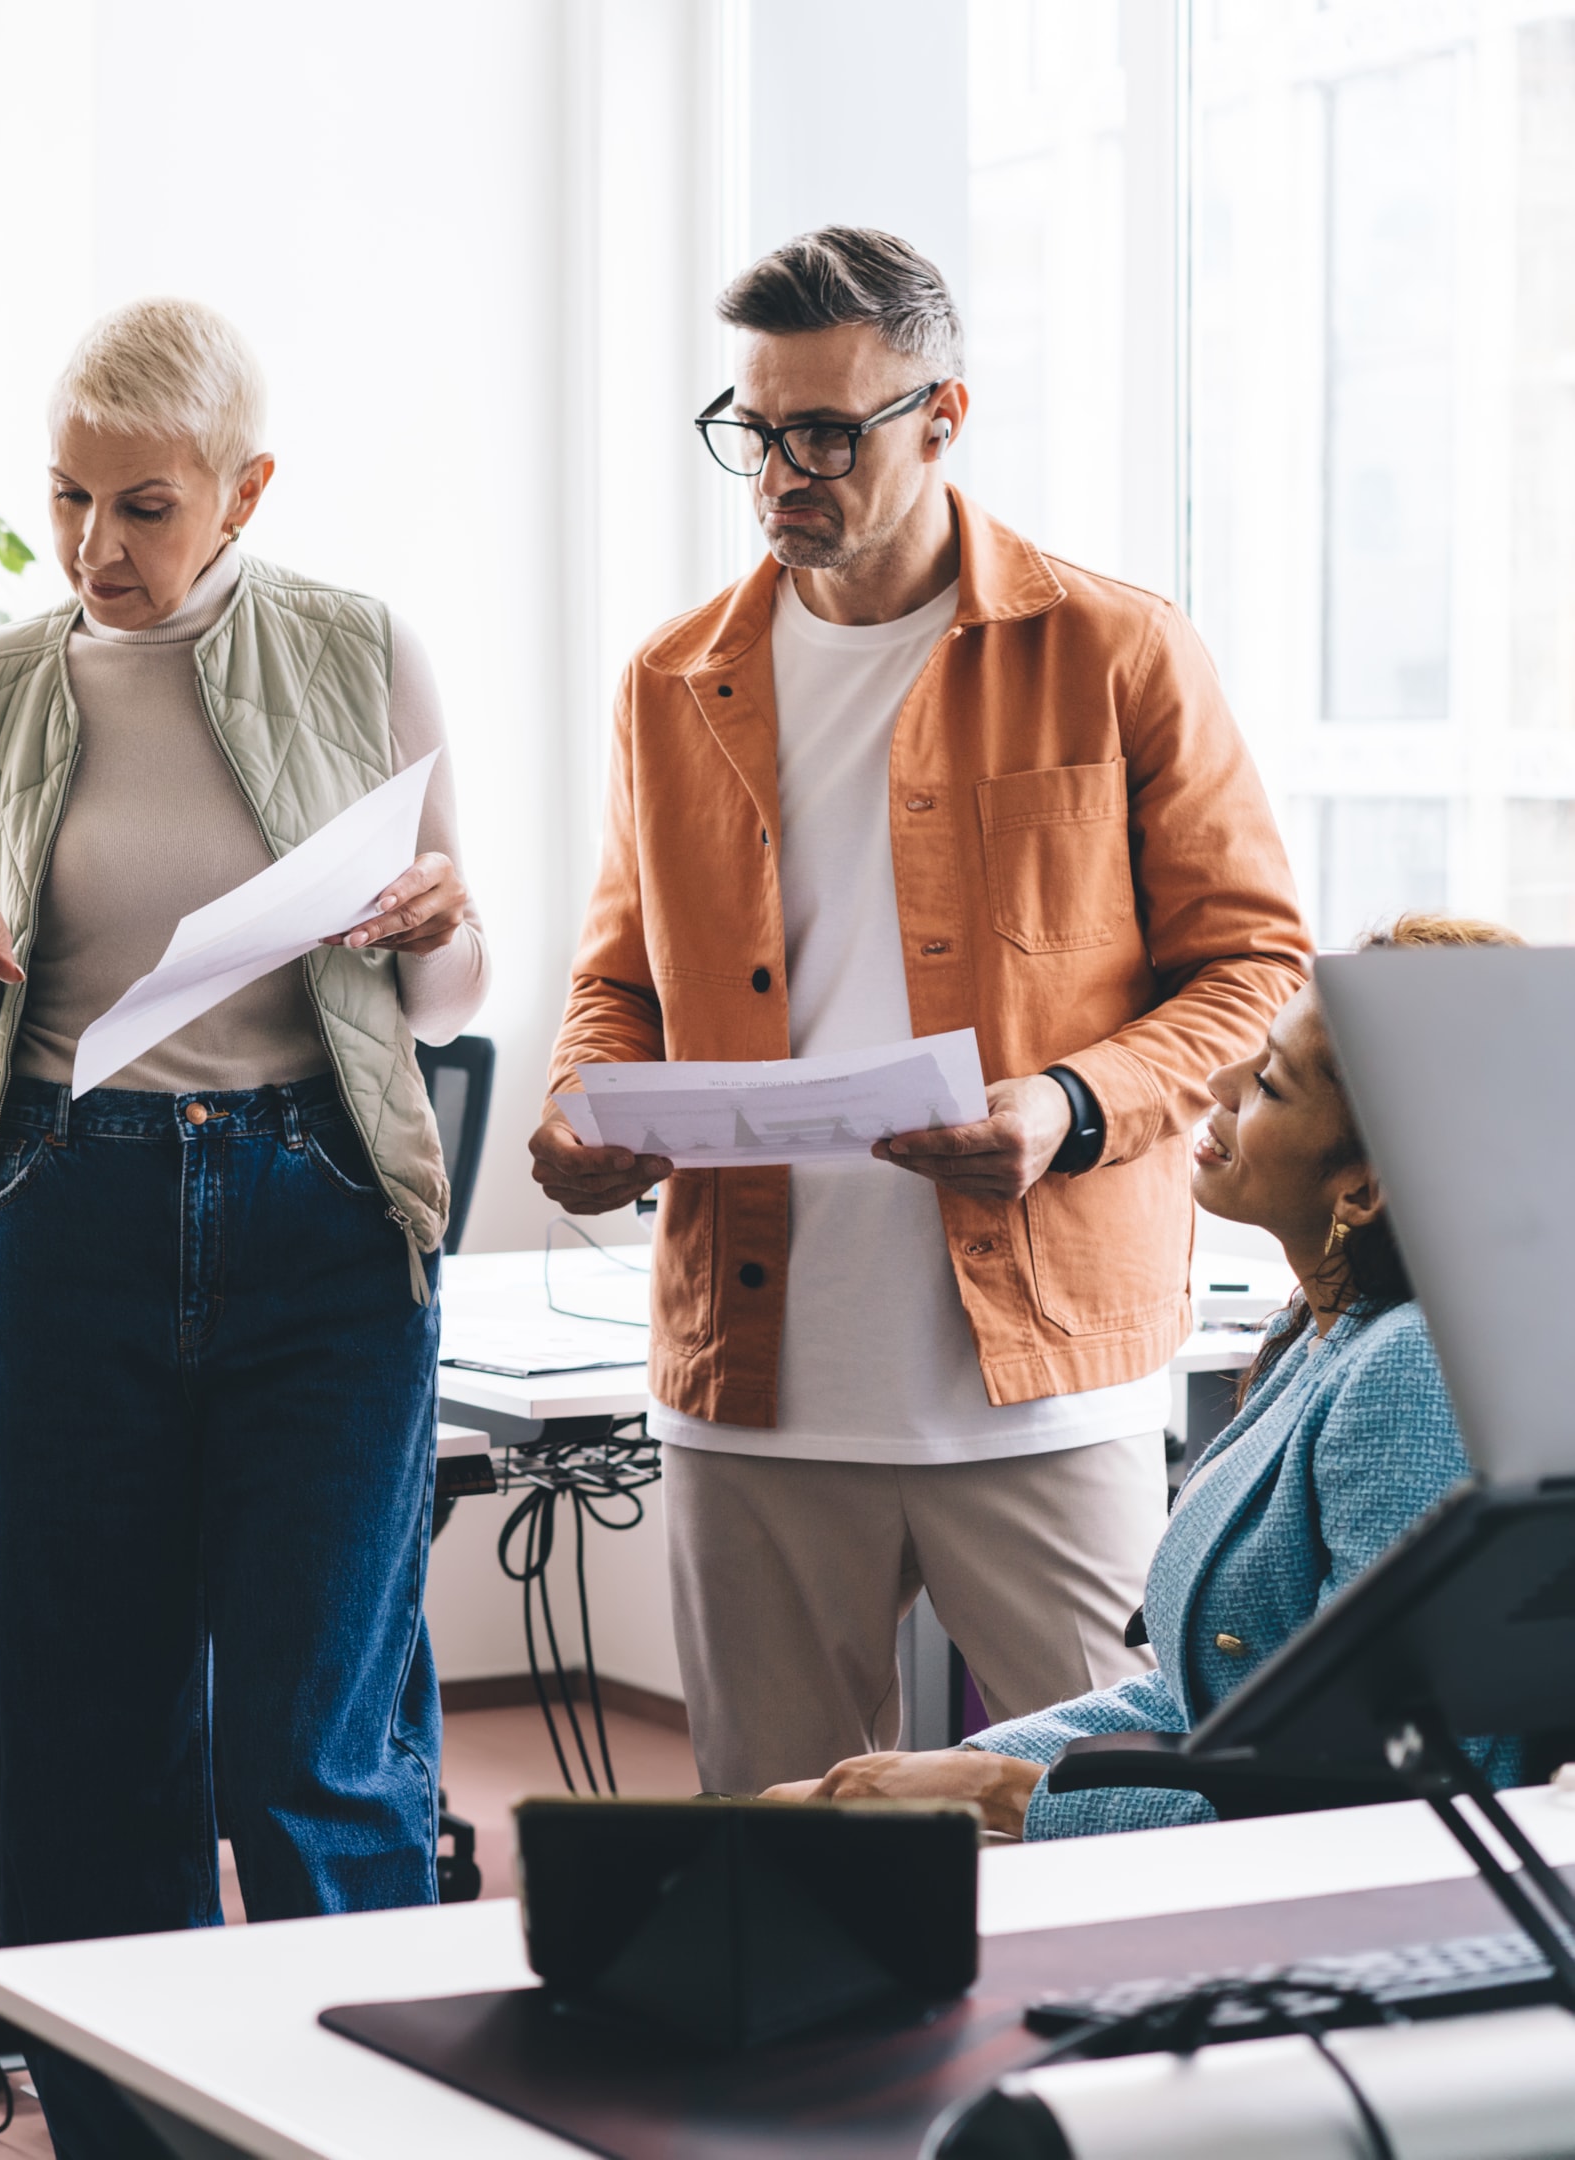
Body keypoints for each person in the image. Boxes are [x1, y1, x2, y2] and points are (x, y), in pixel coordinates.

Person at [529, 227, 1314, 1798]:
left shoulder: (1112, 648)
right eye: (753, 430)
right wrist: (581, 1109)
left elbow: (1256, 966)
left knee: (1120, 1818)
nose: (779, 472)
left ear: (942, 416)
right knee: (785, 1865)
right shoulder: (667, 681)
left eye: (826, 431)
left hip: (1038, 1377)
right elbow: (615, 980)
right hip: (751, 1382)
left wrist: (1064, 1109)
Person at [0, 297, 487, 2158]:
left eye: (142, 505)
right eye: (65, 499)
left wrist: (426, 929)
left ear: (244, 489)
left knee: (316, 1757)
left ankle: (351, 2130)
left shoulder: (356, 650)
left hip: (315, 1215)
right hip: (66, 1213)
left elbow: (455, 992)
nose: (94, 549)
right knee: (79, 1756)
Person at [767, 915, 1527, 1834]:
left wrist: (999, 1798)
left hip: (1329, 1902)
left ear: (1363, 1191)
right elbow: (1207, 1700)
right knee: (810, 1813)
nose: (1218, 1082)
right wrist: (952, 1765)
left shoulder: (1410, 1373)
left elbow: (1382, 1791)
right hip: (1262, 1854)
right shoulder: (1328, 1328)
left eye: (1271, 1085)